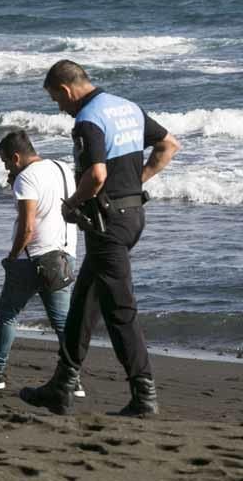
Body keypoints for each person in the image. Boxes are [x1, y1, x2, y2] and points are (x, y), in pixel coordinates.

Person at [20, 60, 181, 417]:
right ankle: (61, 387)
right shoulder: (128, 108)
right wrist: (135, 183)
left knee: (120, 311)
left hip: (106, 224)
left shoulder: (88, 119)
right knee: (83, 303)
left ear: (65, 90)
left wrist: (72, 203)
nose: (59, 108)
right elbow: (169, 145)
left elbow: (95, 174)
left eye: (56, 100)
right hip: (132, 215)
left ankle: (144, 395)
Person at [0, 131, 81, 394]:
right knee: (62, 323)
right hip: (64, 254)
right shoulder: (62, 167)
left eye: (6, 162)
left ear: (16, 157)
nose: (6, 168)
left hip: (34, 258)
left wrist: (12, 257)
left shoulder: (26, 178)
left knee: (8, 314)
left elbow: (27, 227)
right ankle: (73, 379)